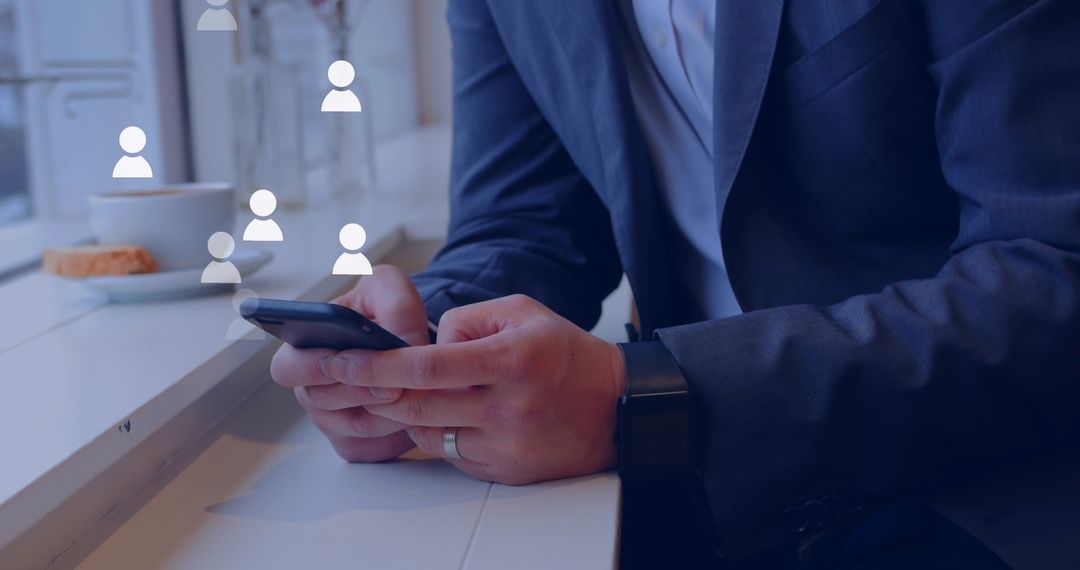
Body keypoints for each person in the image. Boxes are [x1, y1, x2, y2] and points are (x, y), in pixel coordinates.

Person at [271, 0, 1080, 568]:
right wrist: (423, 347)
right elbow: (526, 221)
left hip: (983, 485)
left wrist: (650, 396)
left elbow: (1053, 272)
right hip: (699, 489)